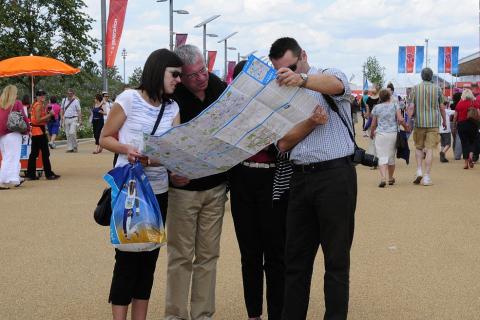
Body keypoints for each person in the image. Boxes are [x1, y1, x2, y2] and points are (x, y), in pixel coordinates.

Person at [270, 37, 357, 320]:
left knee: (336, 262)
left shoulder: (327, 74)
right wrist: (308, 123)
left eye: (290, 67)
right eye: (279, 71)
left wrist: (302, 79)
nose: (285, 75)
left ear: (303, 56)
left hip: (335, 176)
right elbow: (282, 145)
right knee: (295, 262)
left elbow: (338, 85)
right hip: (300, 178)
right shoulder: (280, 95)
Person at [99, 48, 183, 320]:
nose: (178, 80)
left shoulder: (173, 108)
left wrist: (179, 167)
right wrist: (128, 149)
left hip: (159, 190)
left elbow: (174, 150)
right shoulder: (129, 99)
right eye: (175, 74)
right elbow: (105, 138)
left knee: (148, 261)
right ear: (159, 71)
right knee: (127, 260)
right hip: (130, 191)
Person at [164, 44, 228, 320]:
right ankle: (176, 314)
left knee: (208, 256)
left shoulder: (219, 87)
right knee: (180, 256)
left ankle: (203, 314)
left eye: (203, 69)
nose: (201, 77)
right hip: (183, 190)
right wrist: (169, 171)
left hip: (215, 187)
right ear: (180, 76)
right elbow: (161, 142)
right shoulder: (172, 98)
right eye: (192, 75)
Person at [228, 60, 286, 320]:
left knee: (275, 253)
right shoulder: (231, 109)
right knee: (249, 254)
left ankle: (277, 312)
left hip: (273, 179)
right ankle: (254, 314)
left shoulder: (277, 106)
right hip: (242, 178)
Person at [410, 68, 446, 186]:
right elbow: (441, 107)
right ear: (431, 77)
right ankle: (427, 176)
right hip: (433, 123)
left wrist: (409, 120)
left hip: (419, 122)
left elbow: (411, 107)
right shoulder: (437, 89)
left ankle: (419, 169)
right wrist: (444, 120)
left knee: (419, 147)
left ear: (421, 76)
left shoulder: (415, 88)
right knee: (429, 149)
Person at [370, 88, 410, 187]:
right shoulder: (395, 105)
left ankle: (383, 178)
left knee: (382, 156)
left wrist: (371, 133)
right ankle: (390, 178)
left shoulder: (376, 107)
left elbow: (373, 124)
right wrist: (406, 127)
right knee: (391, 157)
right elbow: (400, 119)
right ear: (389, 97)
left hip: (380, 134)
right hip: (392, 134)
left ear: (380, 97)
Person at [26, 90, 60, 181]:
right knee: (45, 153)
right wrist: (50, 115)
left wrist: (47, 117)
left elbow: (35, 118)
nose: (43, 96)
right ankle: (48, 174)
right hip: (39, 131)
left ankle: (31, 174)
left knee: (34, 153)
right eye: (40, 95)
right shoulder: (38, 106)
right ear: (37, 96)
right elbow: (37, 120)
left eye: (43, 94)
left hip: (36, 131)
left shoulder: (35, 104)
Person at [0, 85, 30, 189]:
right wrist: (28, 129)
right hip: (13, 132)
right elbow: (24, 117)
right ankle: (1, 180)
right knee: (12, 157)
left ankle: (15, 178)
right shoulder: (17, 103)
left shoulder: (1, 103)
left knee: (7, 157)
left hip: (1, 134)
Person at [452, 89, 479, 169]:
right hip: (473, 124)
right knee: (473, 141)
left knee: (464, 143)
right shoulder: (475, 103)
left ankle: (466, 163)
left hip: (462, 125)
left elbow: (455, 116)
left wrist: (454, 125)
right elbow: (479, 113)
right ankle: (471, 156)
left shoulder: (460, 103)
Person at [61, 88, 82, 153]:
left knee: (72, 133)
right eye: (68, 93)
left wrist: (80, 119)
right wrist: (62, 117)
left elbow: (79, 110)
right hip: (66, 118)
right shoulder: (64, 100)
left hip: (74, 118)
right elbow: (62, 109)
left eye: (70, 93)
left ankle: (75, 146)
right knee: (67, 134)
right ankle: (70, 148)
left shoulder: (76, 101)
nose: (69, 94)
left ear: (73, 94)